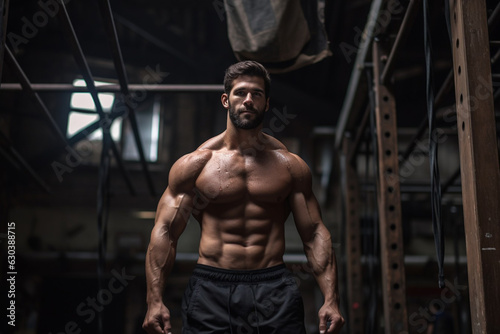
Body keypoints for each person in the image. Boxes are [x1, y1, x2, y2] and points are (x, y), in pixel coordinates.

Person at [142, 61, 344, 334]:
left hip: (272, 285)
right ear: (226, 100)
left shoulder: (290, 166)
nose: (248, 100)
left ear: (266, 103)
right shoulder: (196, 164)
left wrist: (330, 299)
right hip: (211, 285)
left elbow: (314, 232)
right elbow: (165, 231)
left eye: (257, 94)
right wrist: (154, 300)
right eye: (240, 93)